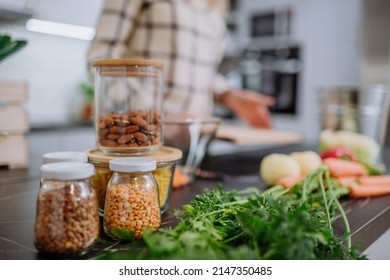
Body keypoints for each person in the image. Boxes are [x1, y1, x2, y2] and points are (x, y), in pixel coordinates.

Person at [87, 0, 274, 128]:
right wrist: (151, 117)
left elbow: (199, 74)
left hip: (195, 140)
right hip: (141, 138)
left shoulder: (214, 4)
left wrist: (229, 95)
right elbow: (102, 55)